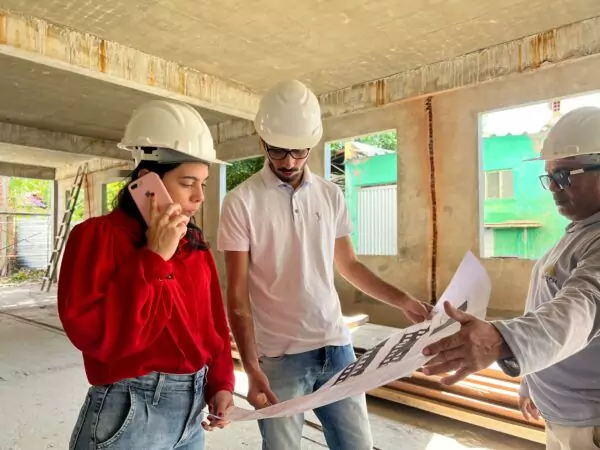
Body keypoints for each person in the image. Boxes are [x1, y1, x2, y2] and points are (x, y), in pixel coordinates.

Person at [217, 79, 432, 450]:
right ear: (262, 142)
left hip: (337, 347)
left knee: (356, 446)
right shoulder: (241, 201)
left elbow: (349, 264)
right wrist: (250, 368)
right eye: (278, 151)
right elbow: (236, 295)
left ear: (312, 144)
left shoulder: (331, 194)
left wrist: (405, 302)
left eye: (298, 152)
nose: (288, 162)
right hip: (280, 358)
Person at [58, 100, 235, 450]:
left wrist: (221, 384)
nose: (200, 196)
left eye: (203, 183)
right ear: (147, 182)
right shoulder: (97, 237)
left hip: (192, 410)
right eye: (188, 183)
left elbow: (213, 326)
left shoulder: (195, 247)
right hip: (130, 408)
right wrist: (153, 258)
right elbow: (101, 337)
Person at [421, 106, 600, 450]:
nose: (552, 188)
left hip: (588, 422)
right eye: (549, 177)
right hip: (564, 413)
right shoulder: (579, 230)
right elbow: (546, 308)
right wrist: (531, 380)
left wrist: (502, 341)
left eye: (564, 176)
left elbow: (582, 306)